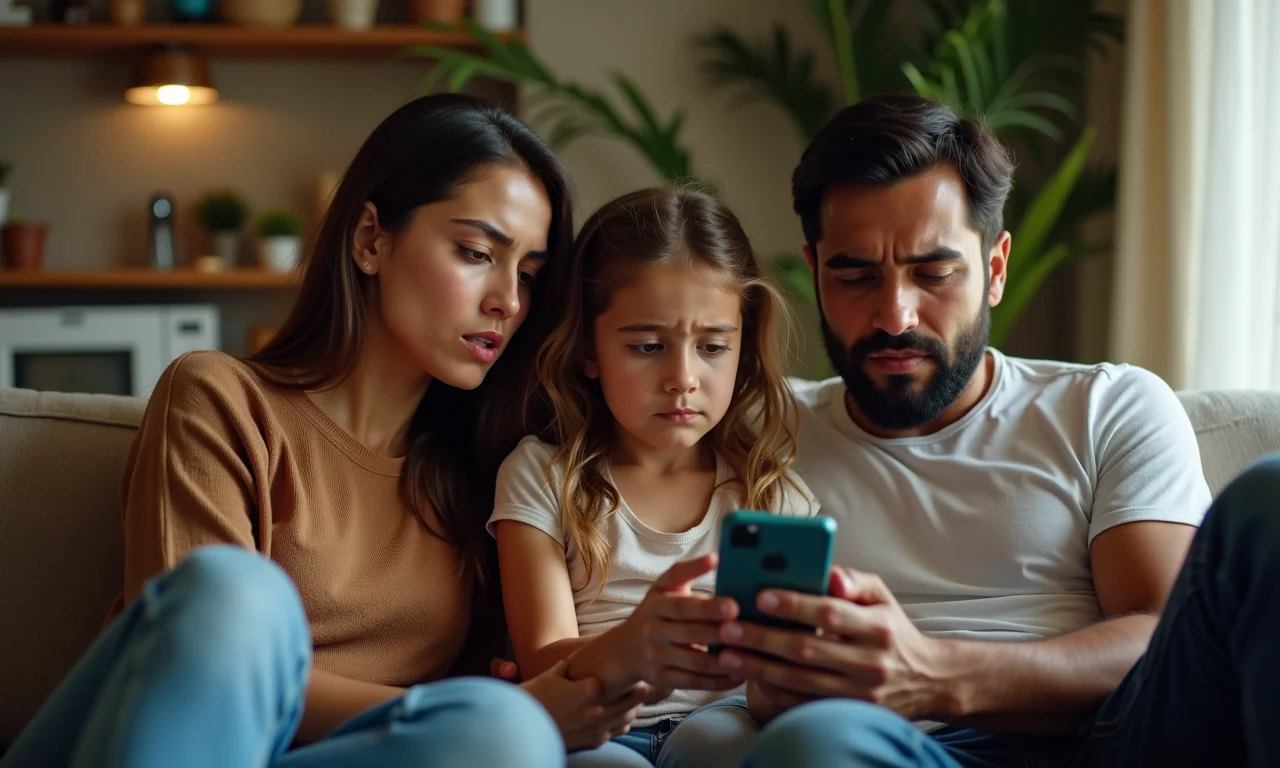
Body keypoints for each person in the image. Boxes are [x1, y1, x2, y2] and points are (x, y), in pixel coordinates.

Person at [1, 93, 649, 768]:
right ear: (371, 240)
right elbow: (198, 664)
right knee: (236, 593)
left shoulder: (491, 468)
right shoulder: (220, 399)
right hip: (164, 742)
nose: (508, 301)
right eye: (475, 251)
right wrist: (445, 708)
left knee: (504, 734)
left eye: (530, 276)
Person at [710, 93, 1280, 767]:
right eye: (856, 275)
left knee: (1268, 493)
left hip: (1111, 737)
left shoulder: (1108, 406)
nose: (895, 315)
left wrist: (936, 674)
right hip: (893, 749)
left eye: (934, 272)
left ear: (996, 269)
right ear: (815, 273)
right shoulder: (753, 428)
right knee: (814, 742)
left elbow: (1163, 631)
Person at [488, 188, 819, 768]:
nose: (683, 378)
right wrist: (638, 646)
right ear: (589, 349)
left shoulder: (772, 494)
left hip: (726, 721)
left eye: (714, 346)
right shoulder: (542, 476)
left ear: (743, 347)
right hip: (595, 723)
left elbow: (780, 682)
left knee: (727, 748)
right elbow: (544, 659)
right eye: (647, 346)